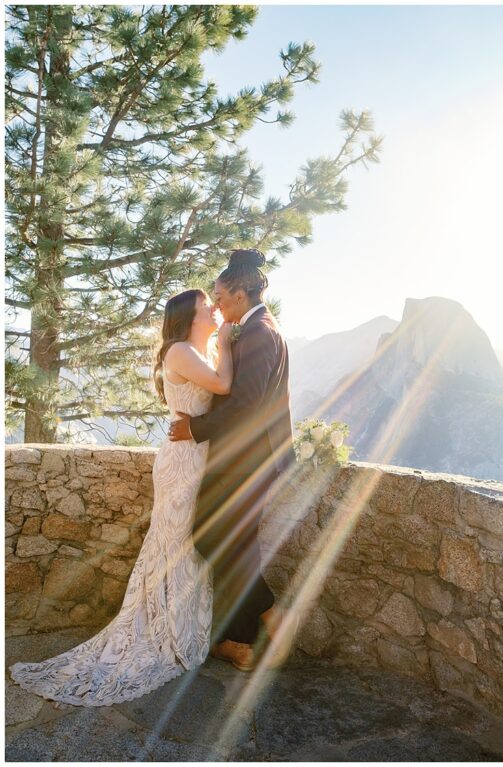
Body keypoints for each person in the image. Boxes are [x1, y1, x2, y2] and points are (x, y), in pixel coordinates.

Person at [10, 289, 232, 704]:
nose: (215, 311)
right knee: (175, 545)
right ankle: (163, 633)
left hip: (197, 458)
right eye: (208, 307)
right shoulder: (182, 350)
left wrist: (222, 344)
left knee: (187, 547)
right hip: (182, 463)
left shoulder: (195, 351)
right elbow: (223, 384)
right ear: (190, 315)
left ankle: (181, 627)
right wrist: (229, 337)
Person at [168, 248, 294, 672]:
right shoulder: (255, 326)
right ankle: (241, 644)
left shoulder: (259, 333)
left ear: (240, 293)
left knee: (208, 537)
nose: (218, 307)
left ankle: (269, 610)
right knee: (238, 548)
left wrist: (194, 429)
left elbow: (245, 406)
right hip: (250, 458)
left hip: (245, 460)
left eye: (221, 297)